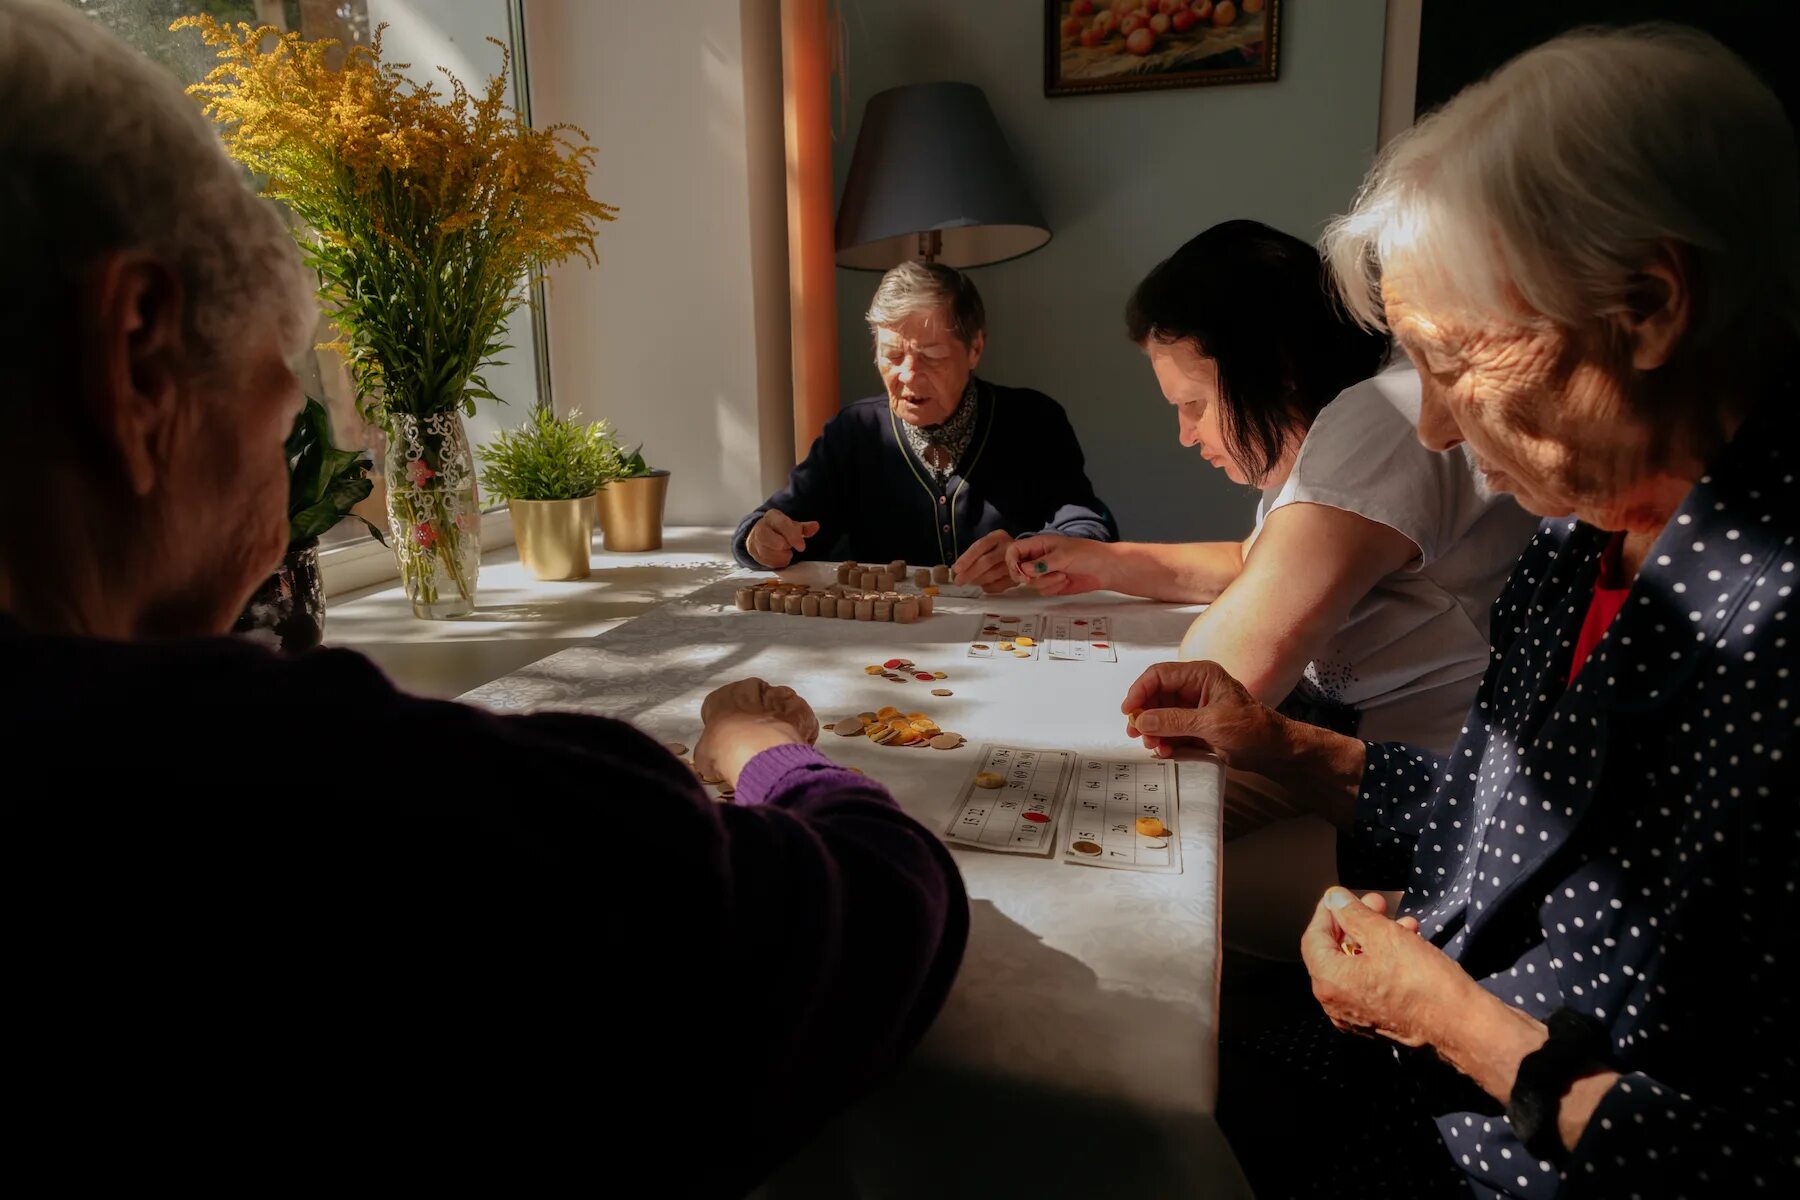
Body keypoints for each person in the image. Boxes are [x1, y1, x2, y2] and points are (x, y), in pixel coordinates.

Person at [0, 1, 966, 1191]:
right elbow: (884, 910)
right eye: (281, 403)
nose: (305, 477)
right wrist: (769, 755)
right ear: (139, 357)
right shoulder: (303, 791)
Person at [1123, 25, 1799, 1197]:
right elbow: (1503, 813)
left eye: (1456, 360)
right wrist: (1288, 746)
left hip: (1507, 1155)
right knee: (1121, 1077)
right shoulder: (1573, 550)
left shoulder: (1770, 635)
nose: (1434, 428)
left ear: (1646, 306)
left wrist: (1453, 1024)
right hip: (1412, 1068)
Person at [733, 261, 1118, 591]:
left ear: (975, 349)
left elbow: (1087, 525)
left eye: (931, 357)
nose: (909, 376)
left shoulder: (1033, 420)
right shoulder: (855, 431)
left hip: (1012, 636)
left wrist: (1032, 555)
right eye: (892, 355)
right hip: (893, 648)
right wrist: (760, 537)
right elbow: (784, 520)